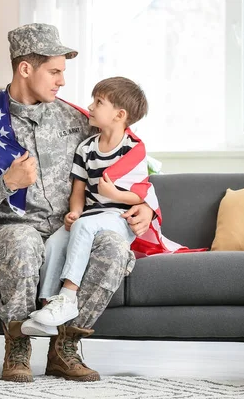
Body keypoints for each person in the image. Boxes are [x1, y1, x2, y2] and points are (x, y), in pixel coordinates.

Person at [0, 23, 154, 384]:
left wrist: (147, 206)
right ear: (25, 69)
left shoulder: (75, 119)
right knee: (23, 242)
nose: (62, 81)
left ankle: (65, 349)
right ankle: (18, 347)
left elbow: (129, 160)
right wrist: (7, 183)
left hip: (68, 228)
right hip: (8, 231)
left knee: (114, 246)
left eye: (63, 72)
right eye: (54, 71)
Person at [22, 77, 149, 334]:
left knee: (84, 226)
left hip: (118, 218)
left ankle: (68, 296)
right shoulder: (86, 148)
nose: (90, 106)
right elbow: (78, 189)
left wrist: (114, 193)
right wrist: (75, 212)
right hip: (89, 216)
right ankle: (48, 306)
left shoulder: (132, 150)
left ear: (119, 115)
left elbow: (140, 195)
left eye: (99, 102)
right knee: (56, 241)